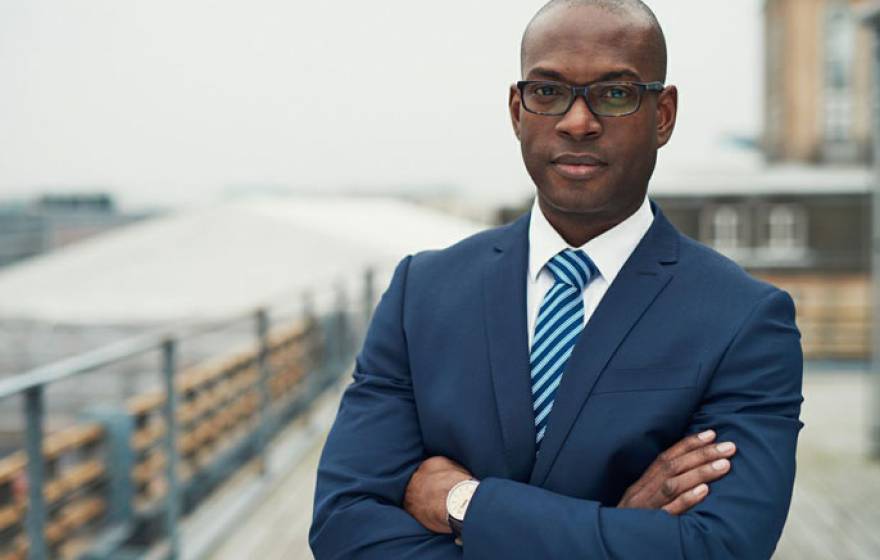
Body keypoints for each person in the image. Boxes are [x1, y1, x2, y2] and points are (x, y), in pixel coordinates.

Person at [309, 0, 804, 558]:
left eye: (615, 94)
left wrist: (465, 503)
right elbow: (343, 528)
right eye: (548, 92)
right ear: (517, 110)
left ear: (662, 114)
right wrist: (615, 528)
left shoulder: (743, 320)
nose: (577, 121)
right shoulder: (420, 293)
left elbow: (718, 548)